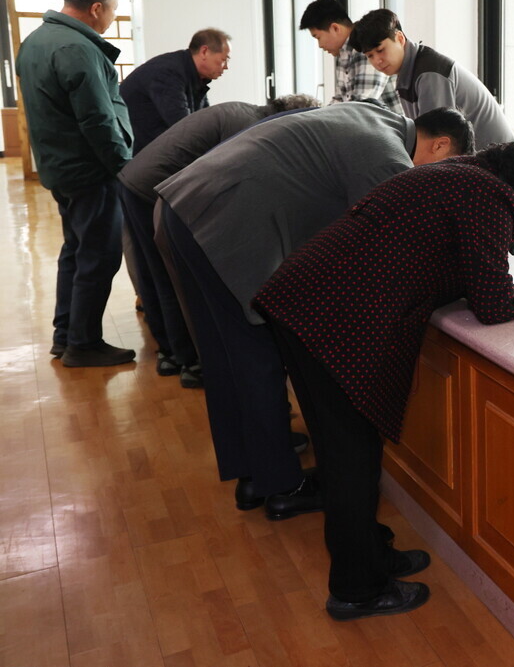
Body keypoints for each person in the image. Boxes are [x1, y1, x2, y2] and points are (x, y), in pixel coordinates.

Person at [253, 139, 514, 621]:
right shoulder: (489, 198)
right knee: (350, 457)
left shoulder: (461, 175)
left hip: (309, 302)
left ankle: (373, 556)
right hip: (326, 316)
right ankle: (356, 589)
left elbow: (456, 262)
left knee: (350, 451)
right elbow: (492, 303)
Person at [156, 104, 475, 520]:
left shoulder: (373, 117)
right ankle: (281, 486)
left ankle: (253, 475)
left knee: (227, 356)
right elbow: (395, 247)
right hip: (221, 220)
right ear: (440, 144)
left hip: (187, 205)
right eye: (446, 169)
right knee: (259, 358)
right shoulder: (388, 157)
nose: (436, 182)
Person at [117, 95, 320, 388]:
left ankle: (171, 353)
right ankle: (187, 359)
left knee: (154, 274)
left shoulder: (244, 111)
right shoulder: (249, 126)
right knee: (170, 278)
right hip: (151, 187)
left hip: (136, 179)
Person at [15, 0, 137, 368]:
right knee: (99, 256)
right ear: (97, 7)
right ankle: (83, 344)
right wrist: (123, 167)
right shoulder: (77, 48)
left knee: (75, 251)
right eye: (113, 9)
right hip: (90, 172)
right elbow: (97, 121)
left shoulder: (34, 42)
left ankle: (65, 334)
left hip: (59, 168)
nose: (113, 18)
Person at [350, 8, 514, 150]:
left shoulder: (429, 73)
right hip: (478, 162)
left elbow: (437, 144)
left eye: (381, 50)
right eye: (370, 56)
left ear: (400, 38)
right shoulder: (411, 70)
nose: (377, 61)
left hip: (497, 166)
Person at [120, 28, 232, 153]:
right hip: (133, 153)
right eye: (223, 60)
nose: (226, 67)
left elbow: (203, 123)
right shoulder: (168, 72)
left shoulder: (193, 76)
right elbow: (183, 127)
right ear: (204, 51)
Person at [298, 0, 398, 110]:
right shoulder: (343, 54)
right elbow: (339, 100)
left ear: (335, 28)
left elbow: (362, 106)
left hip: (387, 126)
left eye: (318, 37)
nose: (320, 45)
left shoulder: (365, 46)